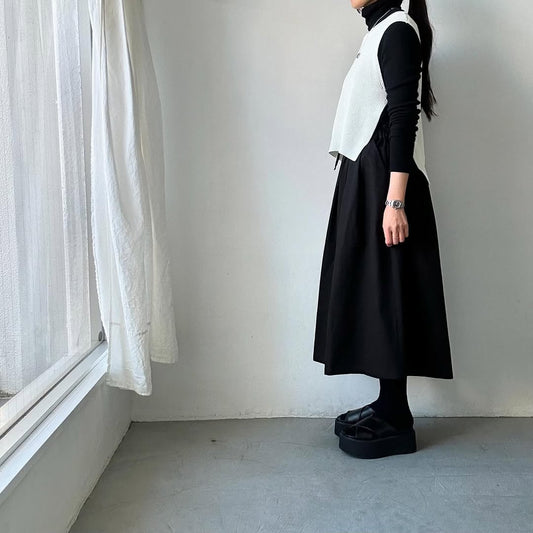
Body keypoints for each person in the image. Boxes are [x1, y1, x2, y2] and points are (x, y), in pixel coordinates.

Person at [312, 0, 454, 459]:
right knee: (376, 293)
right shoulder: (380, 32)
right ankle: (389, 403)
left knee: (389, 291)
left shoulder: (397, 31)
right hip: (367, 176)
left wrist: (395, 201)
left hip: (384, 183)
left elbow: (402, 118)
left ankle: (396, 418)